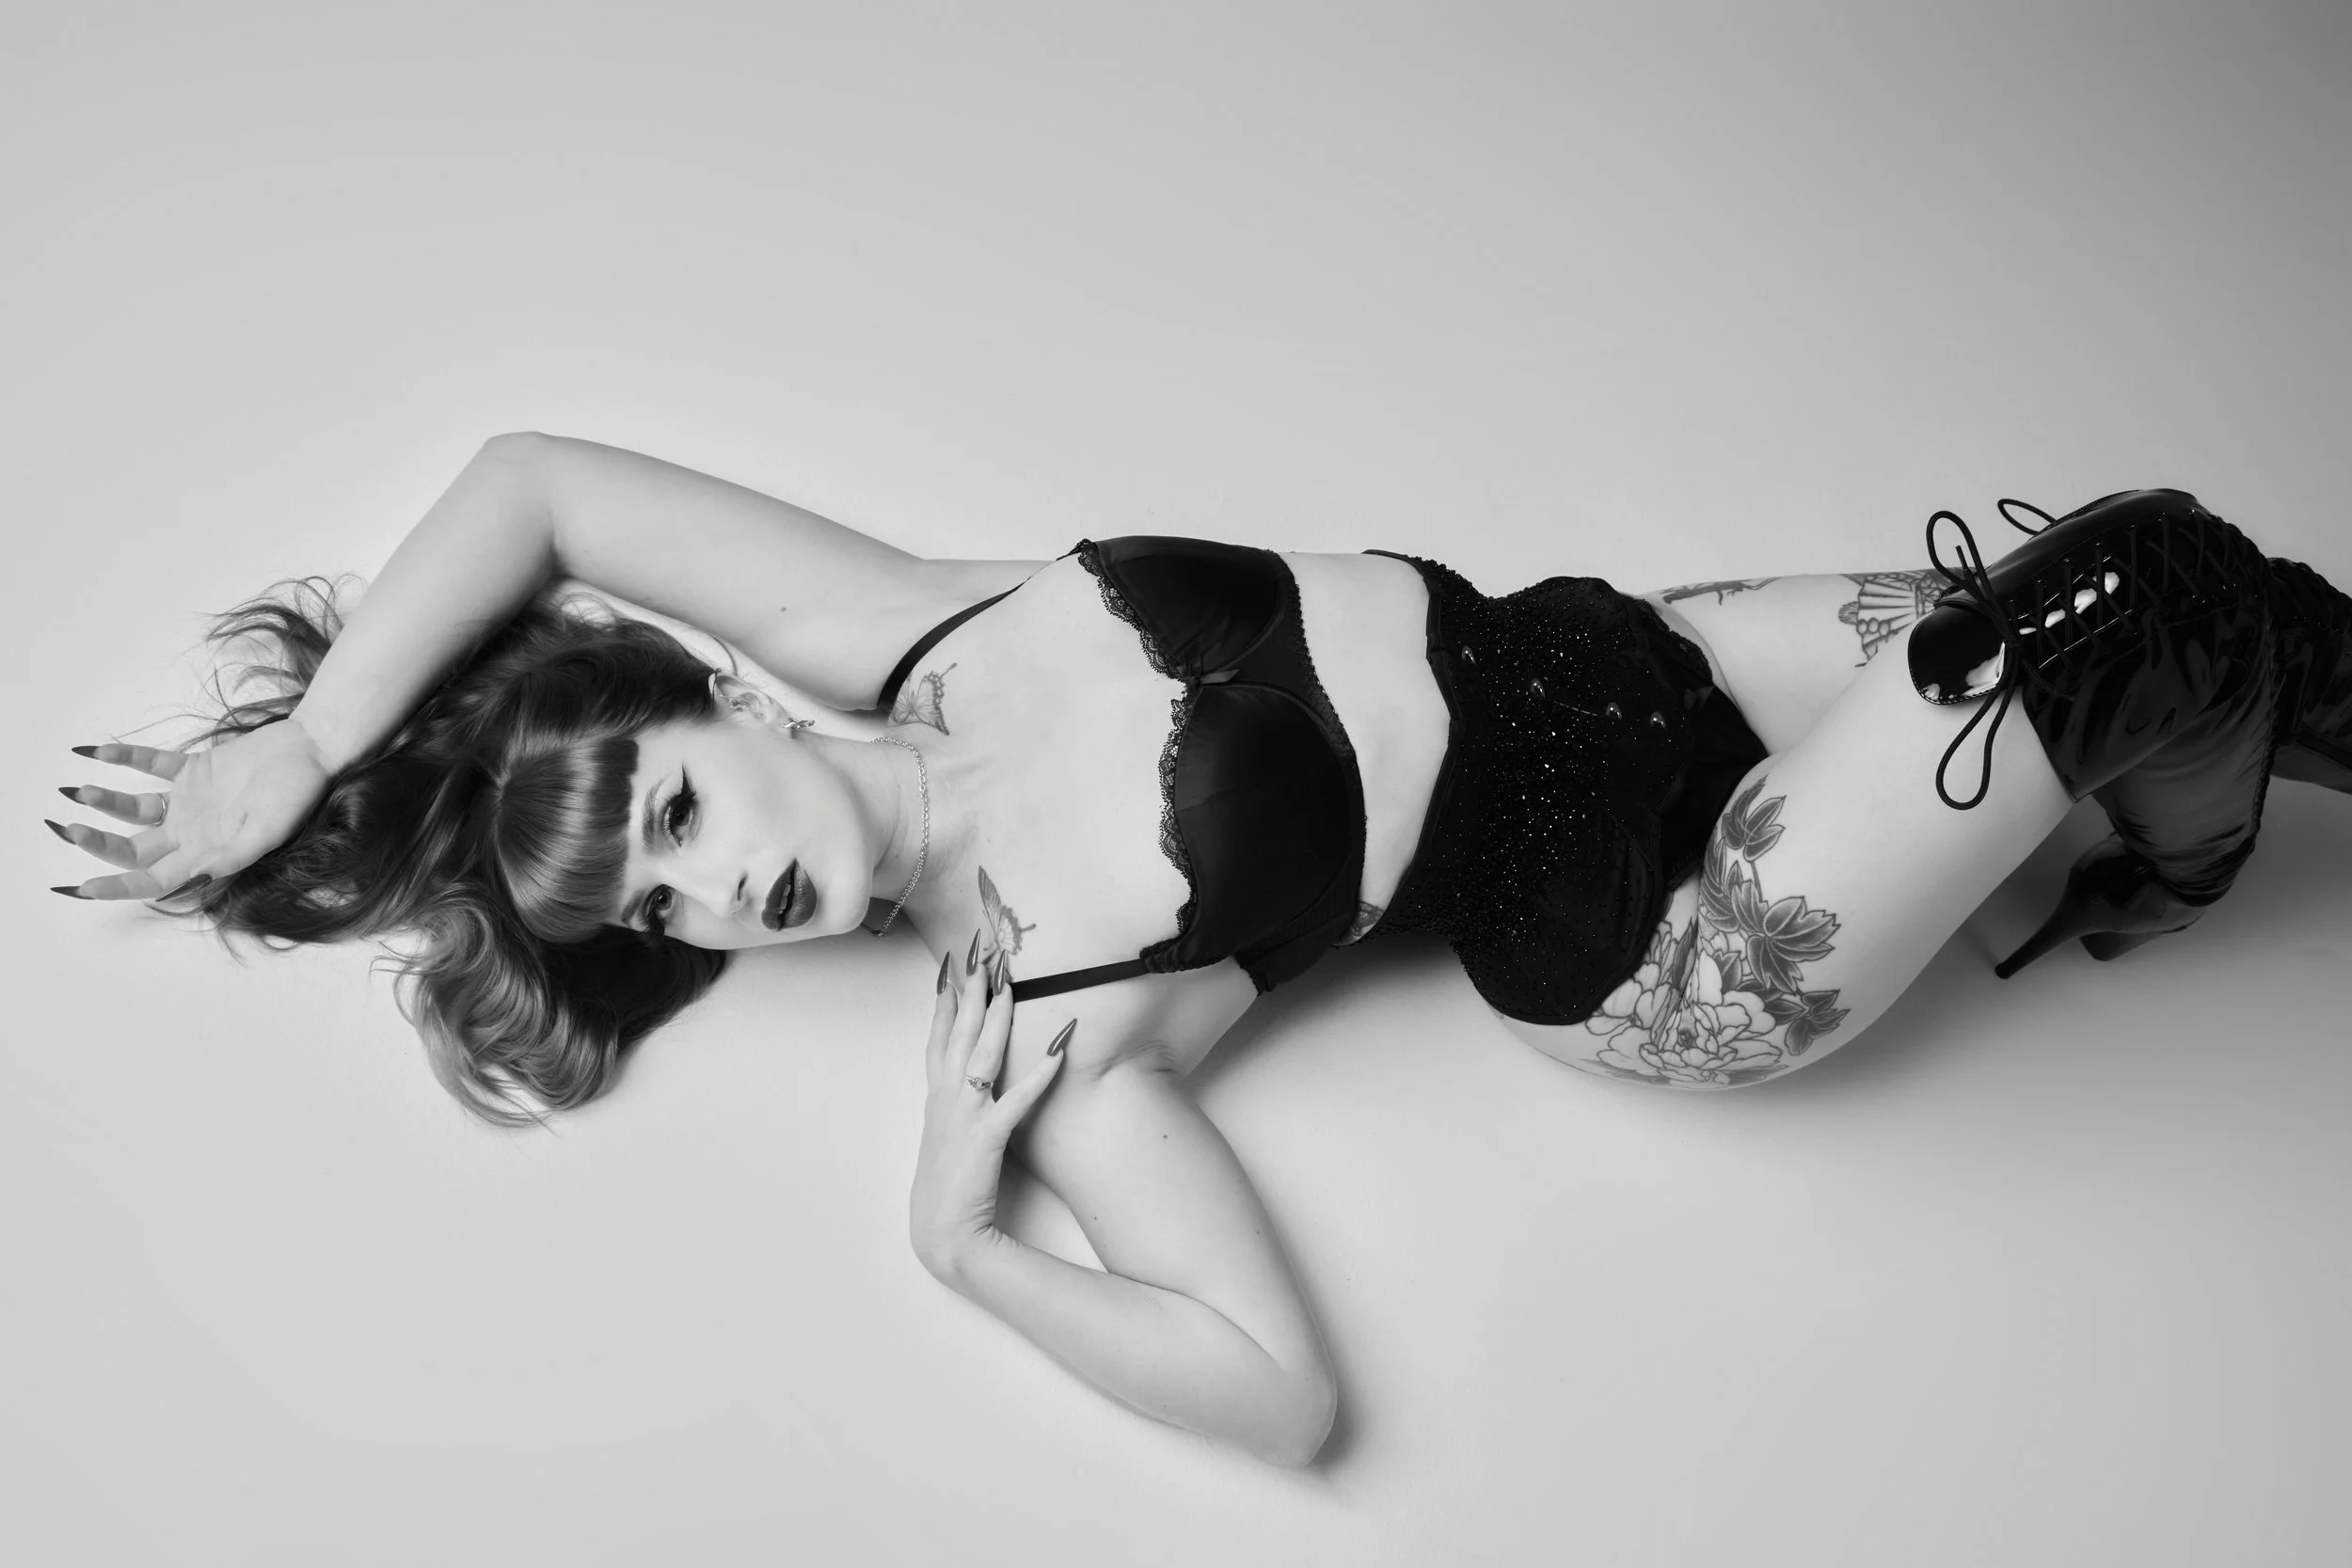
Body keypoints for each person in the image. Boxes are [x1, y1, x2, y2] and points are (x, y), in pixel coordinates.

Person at [43, 433, 2352, 1465]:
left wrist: (306, 751)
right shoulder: (1038, 1013)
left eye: (670, 812)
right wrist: (960, 1239)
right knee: (2130, 605)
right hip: (1653, 937)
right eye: (655, 906)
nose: (707, 892)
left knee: (2235, 604)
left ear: (719, 693)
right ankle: (2158, 854)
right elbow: (1276, 1388)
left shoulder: (897, 617)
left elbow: (533, 477)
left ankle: (2124, 849)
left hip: (1627, 652)